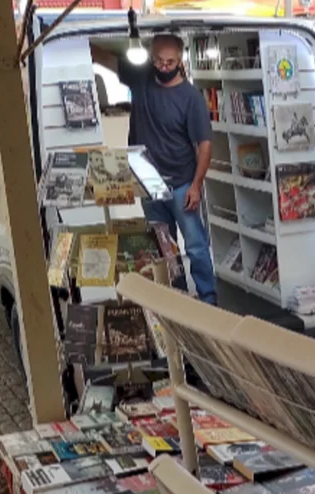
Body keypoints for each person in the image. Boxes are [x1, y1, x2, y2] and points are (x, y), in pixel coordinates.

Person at [92, 35, 216, 305]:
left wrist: (196, 185)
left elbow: (205, 145)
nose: (163, 66)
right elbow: (105, 58)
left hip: (183, 183)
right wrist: (79, 41)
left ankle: (209, 301)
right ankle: (179, 297)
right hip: (149, 183)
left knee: (195, 245)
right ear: (151, 57)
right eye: (158, 60)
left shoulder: (191, 98)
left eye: (170, 61)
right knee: (164, 247)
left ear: (179, 61)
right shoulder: (141, 78)